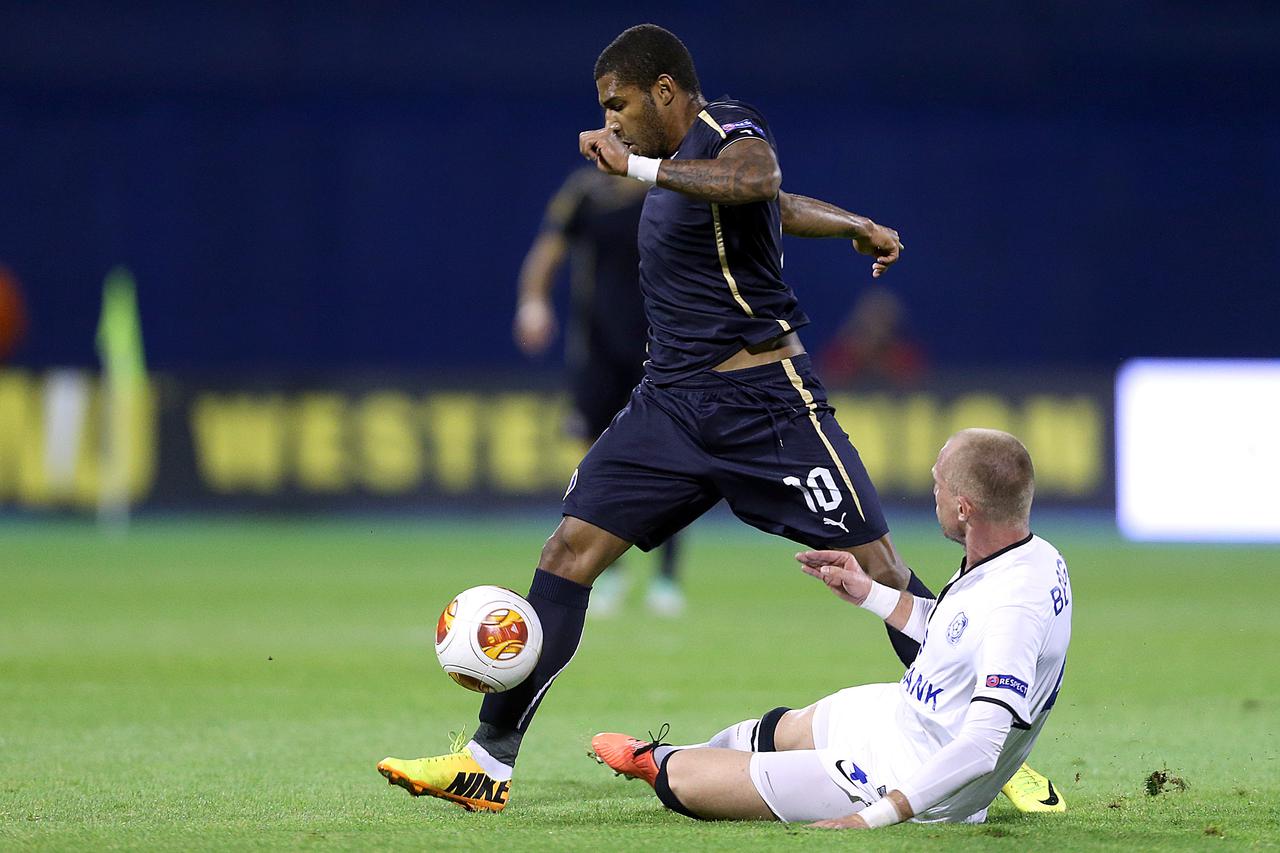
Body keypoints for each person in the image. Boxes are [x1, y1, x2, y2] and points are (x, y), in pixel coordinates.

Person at [381, 23, 939, 812]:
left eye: (619, 105)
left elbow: (759, 180)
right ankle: (486, 763)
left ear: (664, 91)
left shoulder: (725, 129)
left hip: (766, 405)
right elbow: (776, 207)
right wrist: (852, 223)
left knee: (880, 568)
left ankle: (981, 737)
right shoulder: (677, 174)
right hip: (669, 406)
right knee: (567, 551)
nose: (610, 122)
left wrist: (640, 166)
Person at [591, 428, 1072, 829]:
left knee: (684, 780)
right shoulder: (1029, 556)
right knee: (774, 729)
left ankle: (663, 761)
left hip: (904, 775)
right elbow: (955, 632)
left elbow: (982, 746)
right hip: (904, 715)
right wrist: (869, 593)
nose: (934, 494)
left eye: (939, 484)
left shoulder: (1014, 606)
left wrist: (875, 816)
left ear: (964, 508)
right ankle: (674, 755)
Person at [514, 168, 685, 617]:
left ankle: (667, 577)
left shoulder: (669, 188)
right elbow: (548, 251)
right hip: (599, 348)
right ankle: (610, 572)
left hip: (659, 344)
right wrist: (533, 302)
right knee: (596, 461)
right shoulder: (587, 193)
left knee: (671, 458)